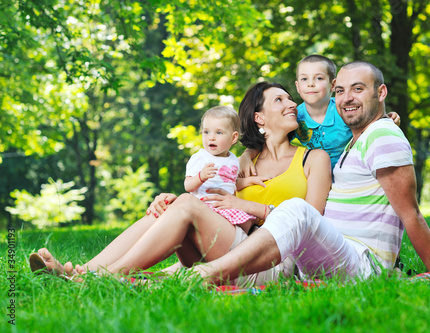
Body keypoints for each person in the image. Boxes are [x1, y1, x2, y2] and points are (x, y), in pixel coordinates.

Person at [29, 82, 332, 283]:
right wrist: (170, 201)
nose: (292, 103)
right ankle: (84, 271)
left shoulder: (313, 158)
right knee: (172, 204)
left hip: (271, 262)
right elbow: (212, 198)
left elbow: (311, 222)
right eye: (280, 99)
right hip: (228, 246)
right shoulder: (244, 160)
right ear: (260, 118)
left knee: (185, 204)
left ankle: (99, 277)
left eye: (290, 98)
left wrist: (249, 206)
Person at [192, 61, 430, 285]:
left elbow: (410, 213)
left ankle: (204, 276)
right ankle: (171, 277)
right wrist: (247, 153)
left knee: (298, 209)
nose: (346, 98)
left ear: (380, 93)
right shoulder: (355, 141)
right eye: (340, 91)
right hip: (334, 251)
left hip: (364, 264)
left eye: (358, 89)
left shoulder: (382, 134)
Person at [240, 54, 400, 174]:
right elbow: (268, 141)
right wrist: (247, 155)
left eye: (318, 78)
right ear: (297, 86)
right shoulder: (294, 117)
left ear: (333, 85)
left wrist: (386, 118)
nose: (310, 83)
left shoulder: (344, 110)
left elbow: (367, 121)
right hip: (312, 176)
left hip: (348, 173)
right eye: (304, 79)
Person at [183, 105, 254, 229]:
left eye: (219, 132)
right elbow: (188, 185)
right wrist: (201, 177)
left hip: (225, 206)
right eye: (206, 132)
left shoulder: (232, 159)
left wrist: (251, 181)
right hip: (205, 205)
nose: (211, 137)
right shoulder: (200, 157)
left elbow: (232, 183)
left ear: (233, 137)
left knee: (248, 223)